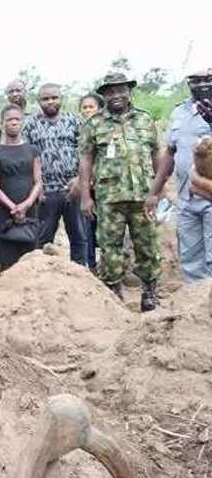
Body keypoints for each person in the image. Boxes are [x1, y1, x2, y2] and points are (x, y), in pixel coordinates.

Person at [79, 72, 163, 310]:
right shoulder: (93, 123)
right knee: (110, 248)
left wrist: (158, 190)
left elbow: (157, 154)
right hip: (109, 198)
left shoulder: (145, 120)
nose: (116, 95)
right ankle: (114, 297)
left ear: (129, 91)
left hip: (143, 197)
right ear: (104, 95)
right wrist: (86, 196)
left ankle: (149, 294)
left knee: (148, 246)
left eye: (121, 90)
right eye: (110, 91)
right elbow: (85, 160)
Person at [146, 68, 212, 282]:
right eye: (195, 80)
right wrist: (154, 192)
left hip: (210, 196)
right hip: (186, 199)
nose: (201, 84)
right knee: (190, 260)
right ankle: (198, 310)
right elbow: (170, 154)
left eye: (207, 79)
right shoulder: (179, 112)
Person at [21, 83, 87, 266]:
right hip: (45, 192)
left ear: (61, 99)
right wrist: (36, 187)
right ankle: (41, 278)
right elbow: (27, 157)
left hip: (72, 189)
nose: (50, 102)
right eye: (45, 98)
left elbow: (86, 152)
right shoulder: (30, 124)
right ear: (38, 101)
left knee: (79, 236)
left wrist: (79, 180)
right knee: (42, 237)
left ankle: (81, 277)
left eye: (54, 97)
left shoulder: (75, 121)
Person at [0, 106, 43, 270]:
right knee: (6, 261)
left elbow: (38, 181)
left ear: (22, 122)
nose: (13, 122)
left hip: (30, 211)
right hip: (5, 212)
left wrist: (26, 205)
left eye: (17, 119)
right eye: (9, 119)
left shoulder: (32, 150)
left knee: (30, 258)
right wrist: (13, 207)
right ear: (2, 123)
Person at [79, 92, 104, 270]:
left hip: (107, 188)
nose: (88, 110)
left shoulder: (106, 128)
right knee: (87, 227)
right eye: (85, 107)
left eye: (91, 107)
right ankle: (91, 265)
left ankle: (109, 266)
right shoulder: (79, 129)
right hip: (86, 188)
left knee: (107, 228)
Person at [0, 79, 29, 146]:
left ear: (25, 92)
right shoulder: (1, 113)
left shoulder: (35, 112)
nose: (15, 94)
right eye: (11, 92)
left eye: (18, 91)